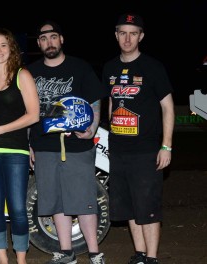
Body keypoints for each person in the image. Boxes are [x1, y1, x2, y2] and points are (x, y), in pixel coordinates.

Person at [27, 20, 107, 264]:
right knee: (55, 201)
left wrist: (90, 128)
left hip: (76, 146)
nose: (48, 42)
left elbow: (94, 101)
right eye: (43, 38)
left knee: (83, 200)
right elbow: (29, 111)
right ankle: (66, 252)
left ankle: (94, 253)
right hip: (44, 146)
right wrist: (30, 144)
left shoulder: (80, 68)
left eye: (53, 37)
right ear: (39, 43)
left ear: (61, 39)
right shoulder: (30, 72)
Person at [103, 13, 174, 264]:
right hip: (118, 150)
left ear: (141, 36)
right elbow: (111, 101)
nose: (127, 38)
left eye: (133, 33)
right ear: (116, 35)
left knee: (148, 206)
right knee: (129, 206)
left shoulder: (153, 67)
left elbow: (168, 107)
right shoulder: (109, 67)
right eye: (122, 32)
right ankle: (141, 254)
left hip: (146, 151)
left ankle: (152, 258)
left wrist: (166, 146)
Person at [0, 28, 40, 264]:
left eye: (3, 45)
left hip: (16, 151)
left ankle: (21, 260)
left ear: (11, 48)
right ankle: (3, 259)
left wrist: (0, 129)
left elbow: (33, 115)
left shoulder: (22, 75)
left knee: (17, 208)